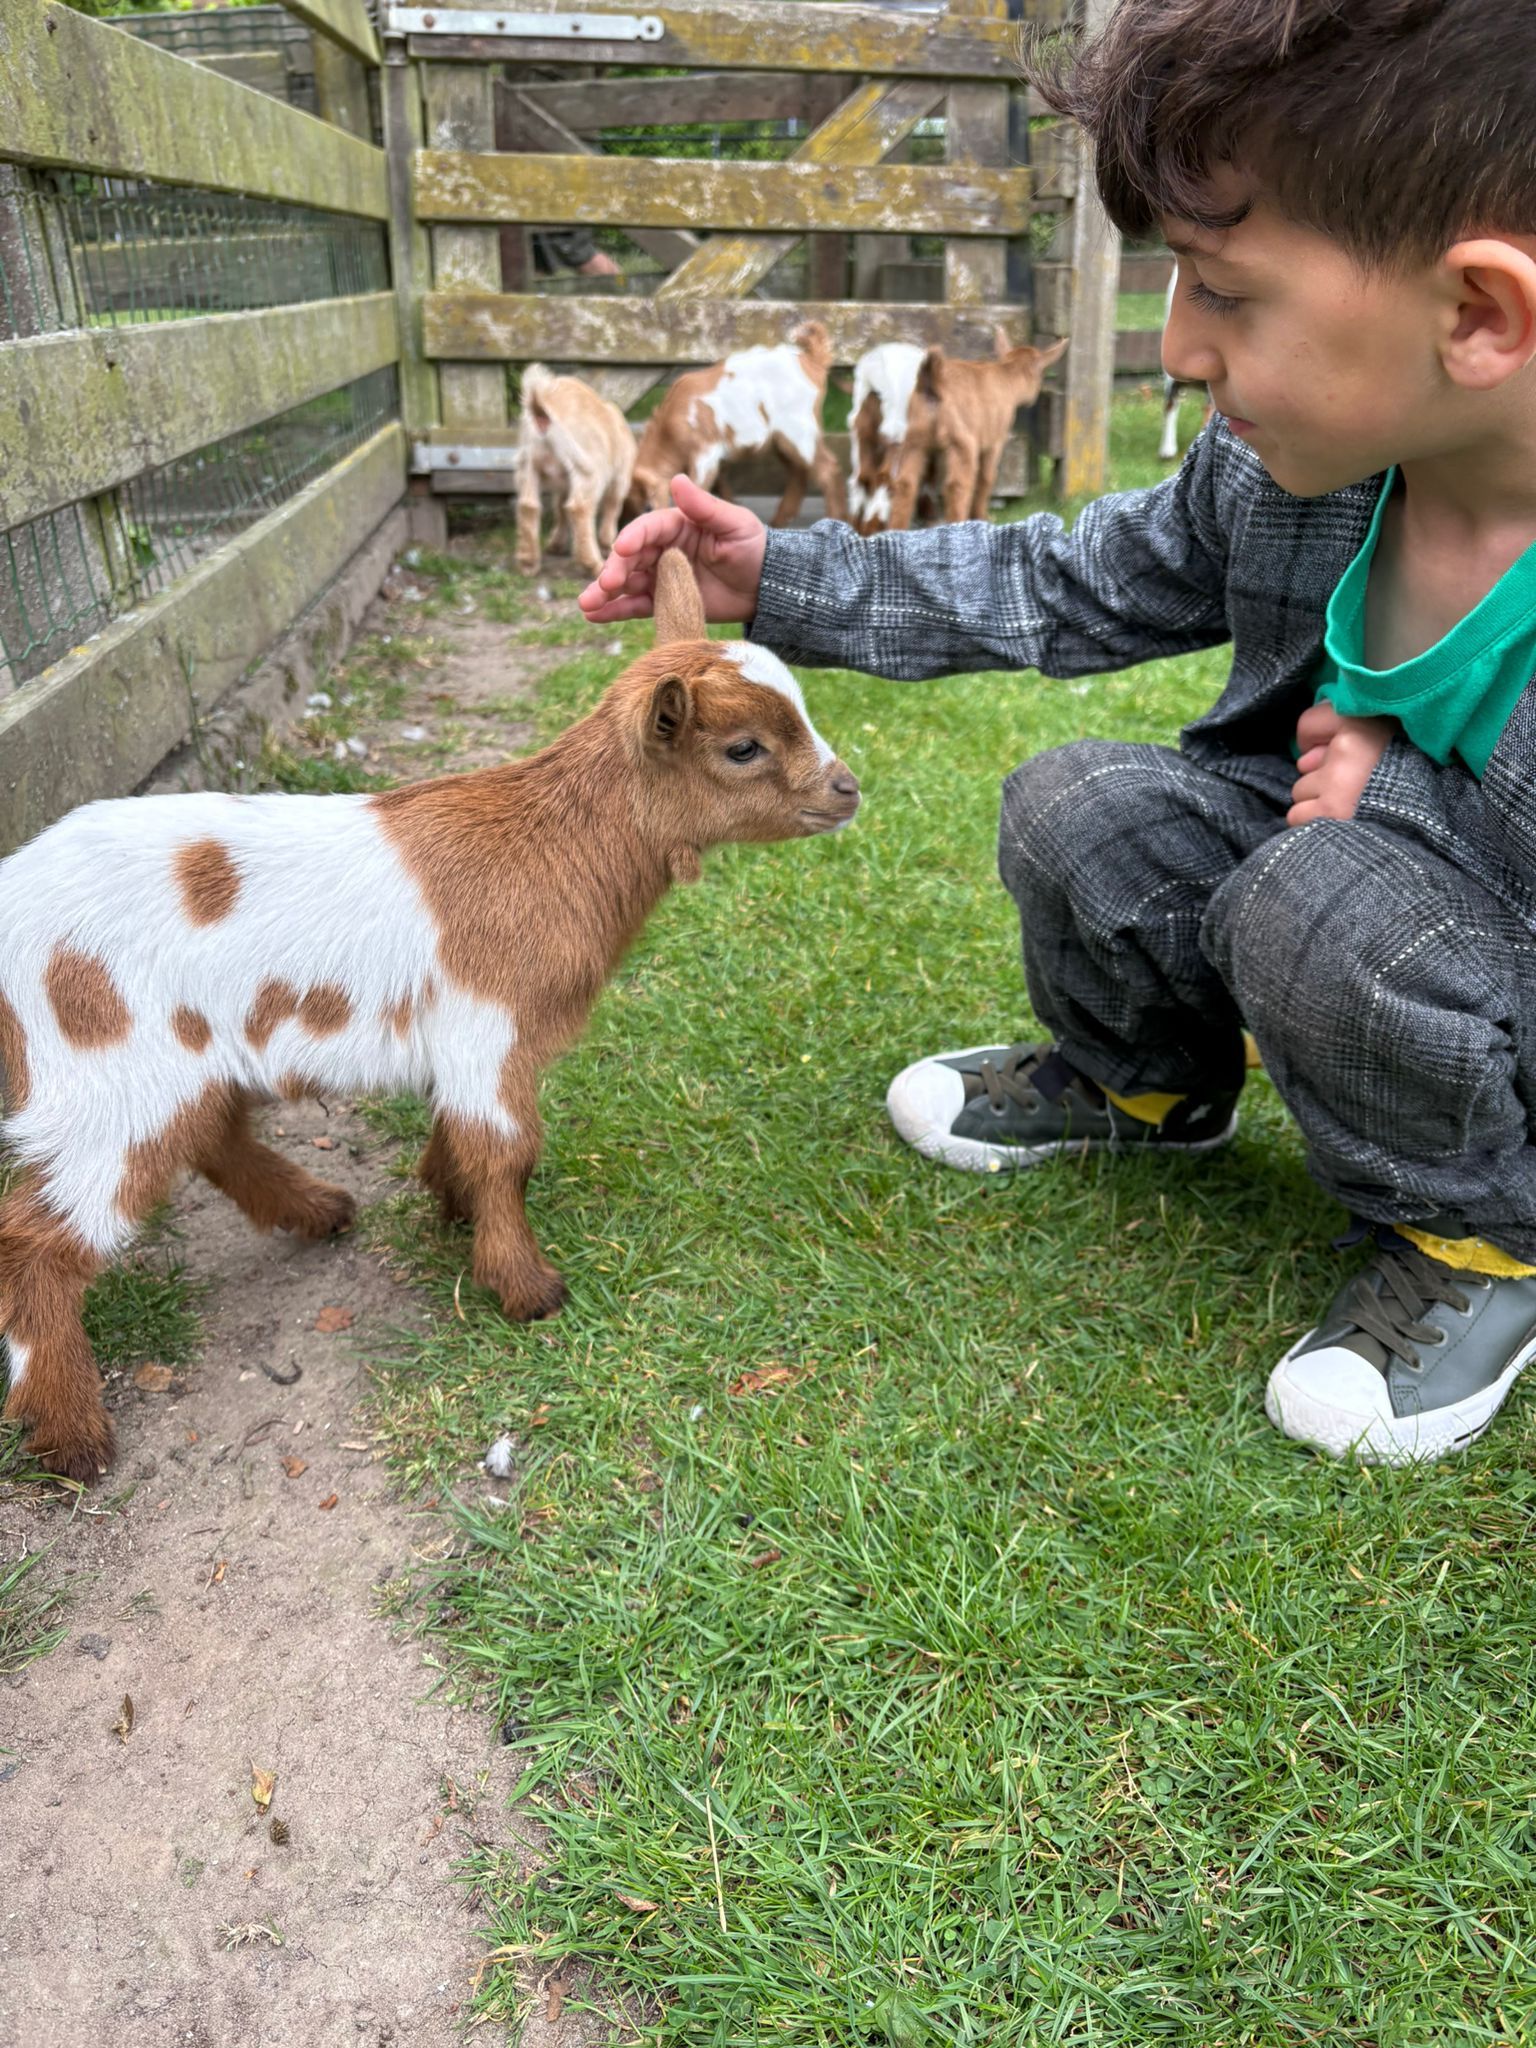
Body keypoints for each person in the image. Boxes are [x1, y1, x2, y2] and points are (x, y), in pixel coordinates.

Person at [579, 0, 1536, 1469]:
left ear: (1476, 315)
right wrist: (784, 573)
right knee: (1079, 802)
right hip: (1323, 876)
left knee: (1318, 895)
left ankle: (1478, 1240)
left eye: (1223, 289)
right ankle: (1150, 1088)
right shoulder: (1291, 474)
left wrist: (1396, 800)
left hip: (1467, 960)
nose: (1178, 345)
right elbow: (1066, 577)